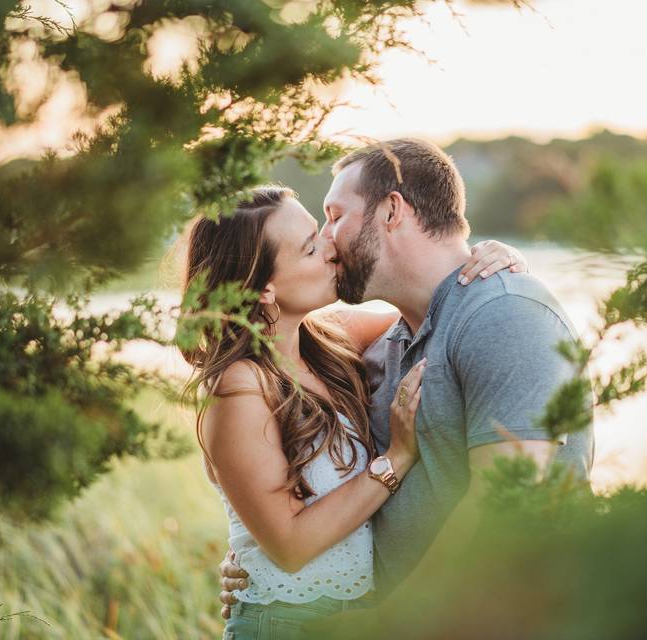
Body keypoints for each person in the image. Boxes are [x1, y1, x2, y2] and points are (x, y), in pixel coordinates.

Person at [219, 138, 595, 615]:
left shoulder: (506, 313)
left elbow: (508, 505)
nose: (329, 242)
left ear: (392, 210)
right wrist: (258, 568)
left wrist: (395, 622)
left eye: (335, 217)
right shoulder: (378, 345)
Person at [179, 185, 527, 639]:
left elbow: (441, 307)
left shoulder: (330, 341)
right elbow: (288, 546)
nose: (331, 246)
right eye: (309, 248)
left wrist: (495, 261)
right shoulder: (240, 386)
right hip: (286, 623)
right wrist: (397, 459)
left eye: (319, 232)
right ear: (264, 289)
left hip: (354, 617)